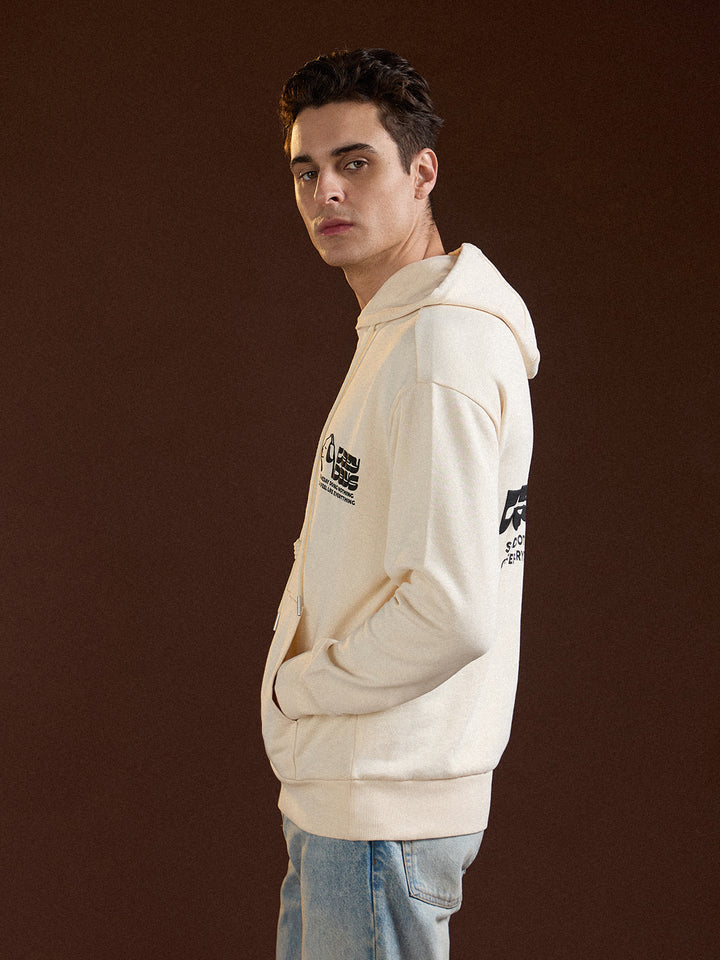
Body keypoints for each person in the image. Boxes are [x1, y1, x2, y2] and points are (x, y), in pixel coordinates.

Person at [261, 48, 540, 960]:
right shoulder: (400, 331)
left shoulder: (439, 352)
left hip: (380, 809)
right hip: (349, 803)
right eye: (307, 171)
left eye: (355, 163)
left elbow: (449, 610)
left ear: (423, 173)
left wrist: (301, 686)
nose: (327, 193)